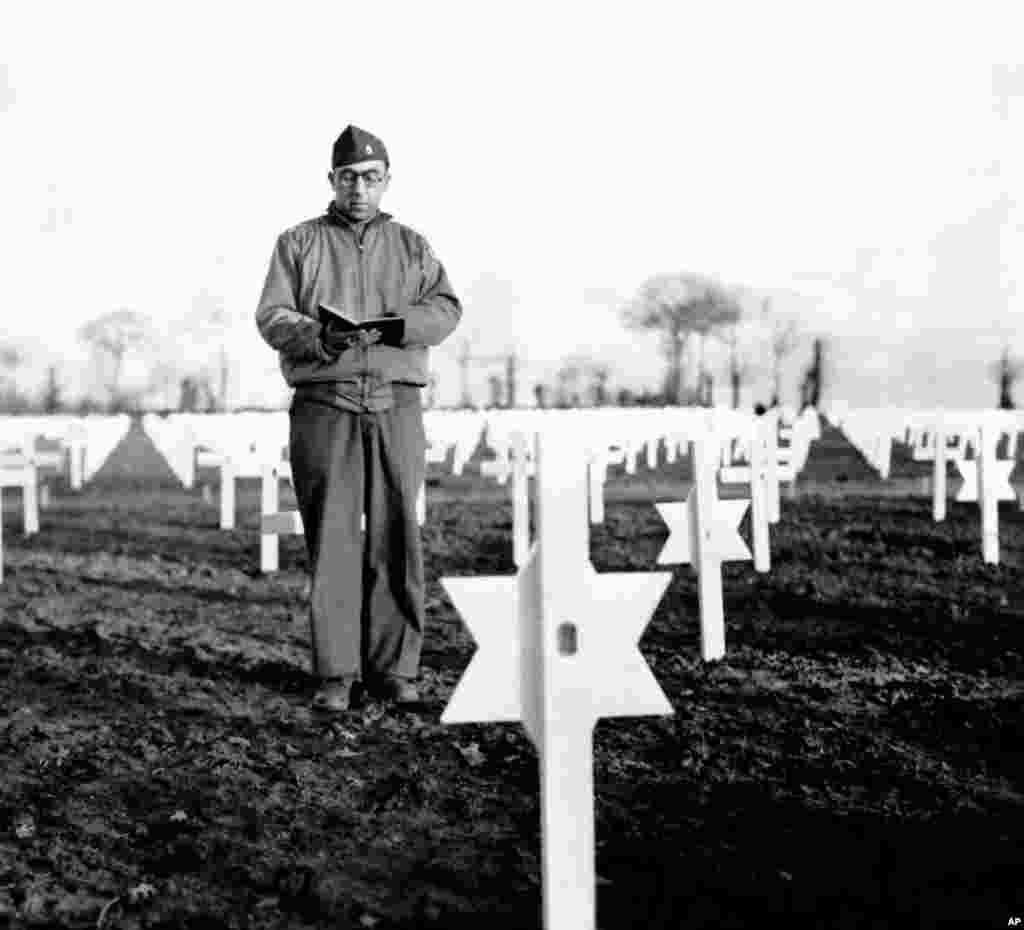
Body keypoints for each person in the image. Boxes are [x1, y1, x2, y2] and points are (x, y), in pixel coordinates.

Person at [255, 125, 462, 713]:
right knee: (334, 537)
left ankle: (395, 668)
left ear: (386, 182)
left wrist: (401, 324)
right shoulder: (298, 243)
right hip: (326, 404)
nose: (359, 189)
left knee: (398, 534)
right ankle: (336, 672)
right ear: (331, 181)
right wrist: (318, 334)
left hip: (396, 401)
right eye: (348, 177)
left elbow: (446, 308)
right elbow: (272, 315)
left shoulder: (413, 246)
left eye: (371, 178)